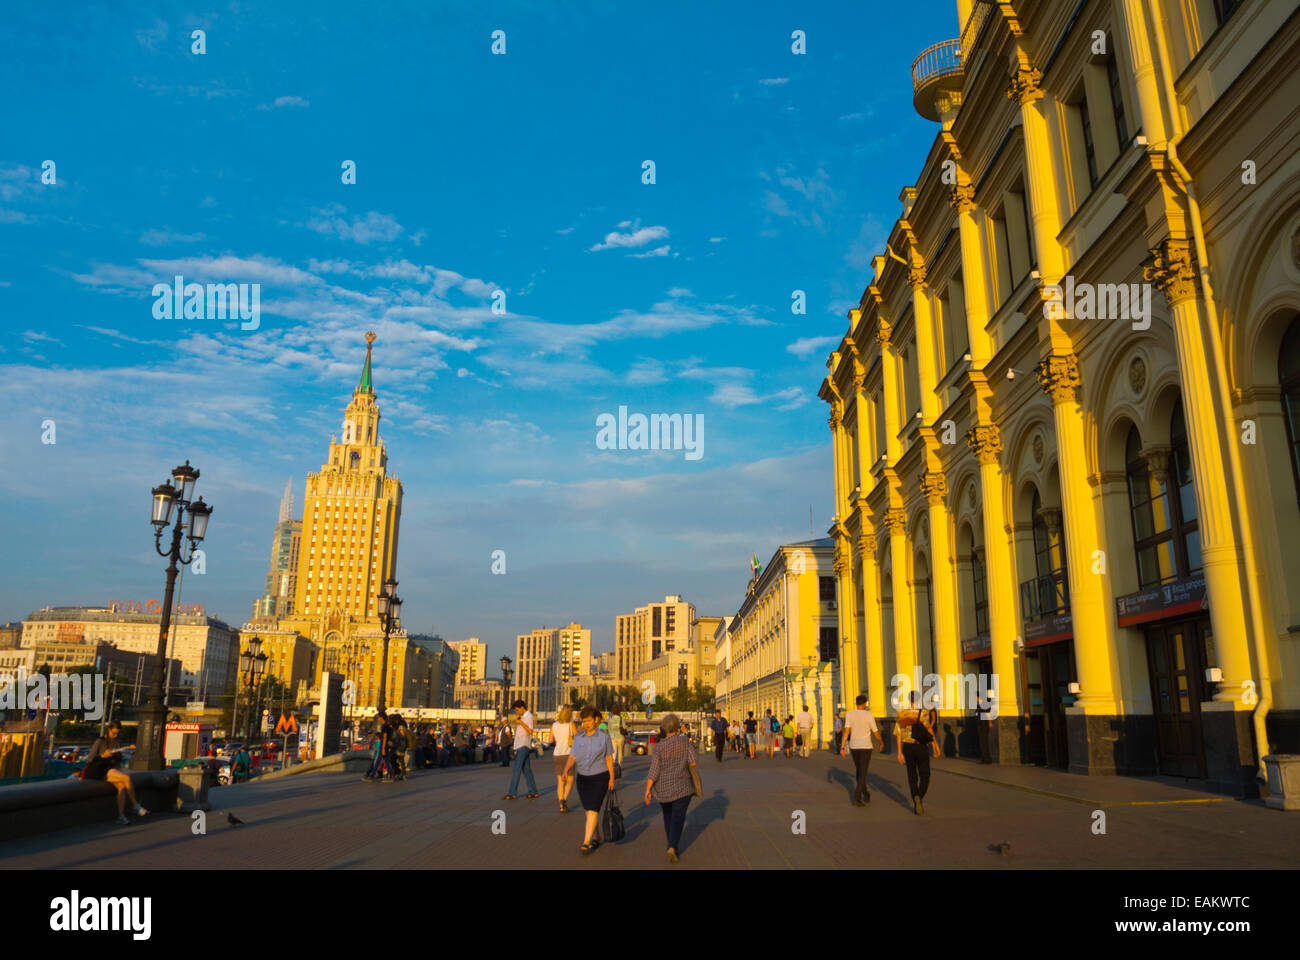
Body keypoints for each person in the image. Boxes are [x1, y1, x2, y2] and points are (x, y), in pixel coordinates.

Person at [644, 713, 698, 863]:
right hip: (682, 788)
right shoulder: (685, 742)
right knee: (678, 818)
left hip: (663, 790)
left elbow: (653, 771)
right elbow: (694, 762)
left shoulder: (659, 747)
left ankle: (671, 844)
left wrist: (648, 790)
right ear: (677, 727)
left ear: (664, 729)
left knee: (668, 817)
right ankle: (672, 845)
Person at [564, 706, 615, 854]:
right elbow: (572, 756)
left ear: (595, 720)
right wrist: (566, 770)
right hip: (583, 779)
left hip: (600, 777)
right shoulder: (578, 738)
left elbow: (609, 758)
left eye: (588, 720)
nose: (586, 724)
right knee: (589, 812)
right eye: (583, 721)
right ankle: (597, 836)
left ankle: (586, 842)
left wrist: (612, 778)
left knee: (593, 810)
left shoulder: (604, 737)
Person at [84, 721, 147, 824]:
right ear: (108, 730)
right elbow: (89, 759)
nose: (115, 735)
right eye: (114, 733)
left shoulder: (117, 742)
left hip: (113, 768)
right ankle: (135, 805)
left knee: (121, 786)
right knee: (127, 778)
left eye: (117, 733)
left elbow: (117, 759)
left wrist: (118, 756)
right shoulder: (100, 741)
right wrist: (103, 756)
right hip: (102, 770)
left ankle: (121, 816)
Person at [897, 690, 940, 815]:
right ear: (918, 699)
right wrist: (935, 745)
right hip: (921, 747)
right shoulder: (923, 713)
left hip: (907, 747)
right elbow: (929, 730)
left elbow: (898, 733)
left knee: (912, 775)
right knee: (925, 775)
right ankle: (919, 797)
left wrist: (899, 752)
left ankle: (915, 796)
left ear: (908, 699)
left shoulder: (902, 713)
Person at [841, 694, 882, 806]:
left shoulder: (850, 715)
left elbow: (846, 732)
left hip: (854, 747)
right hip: (866, 747)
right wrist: (881, 742)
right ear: (865, 704)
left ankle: (865, 792)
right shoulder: (869, 715)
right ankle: (857, 797)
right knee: (862, 772)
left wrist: (842, 747)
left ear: (856, 703)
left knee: (860, 771)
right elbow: (875, 731)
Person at [503, 699, 540, 800]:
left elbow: (530, 731)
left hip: (523, 745)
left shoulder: (529, 716)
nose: (516, 712)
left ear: (522, 708)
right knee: (526, 770)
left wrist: (521, 723)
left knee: (516, 769)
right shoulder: (524, 717)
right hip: (521, 745)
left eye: (517, 709)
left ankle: (512, 792)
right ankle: (533, 791)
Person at [551, 705, 577, 813]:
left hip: (557, 754)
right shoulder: (571, 724)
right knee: (570, 781)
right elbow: (578, 737)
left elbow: (550, 740)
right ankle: (564, 800)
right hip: (568, 754)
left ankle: (561, 804)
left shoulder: (554, 725)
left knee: (560, 781)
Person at [364, 713, 389, 781]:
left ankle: (371, 775)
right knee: (383, 762)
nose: (378, 719)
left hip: (382, 747)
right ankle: (390, 774)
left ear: (382, 718)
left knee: (378, 762)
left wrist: (383, 748)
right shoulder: (385, 725)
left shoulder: (384, 726)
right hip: (382, 747)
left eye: (379, 717)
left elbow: (385, 737)